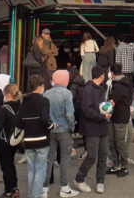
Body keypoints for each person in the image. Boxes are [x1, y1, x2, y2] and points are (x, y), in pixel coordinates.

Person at [43, 69, 79, 197]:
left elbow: (44, 113)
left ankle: (44, 188)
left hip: (50, 130)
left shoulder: (46, 93)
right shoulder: (67, 93)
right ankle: (64, 187)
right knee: (64, 159)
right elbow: (70, 114)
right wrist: (72, 128)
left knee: (48, 159)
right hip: (64, 130)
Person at [74, 66, 110, 194]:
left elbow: (97, 106)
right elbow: (86, 109)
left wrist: (108, 106)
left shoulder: (99, 88)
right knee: (92, 156)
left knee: (103, 155)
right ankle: (79, 178)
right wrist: (102, 116)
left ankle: (100, 181)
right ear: (101, 76)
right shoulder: (88, 89)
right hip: (92, 128)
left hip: (102, 126)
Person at [19, 74, 53, 198]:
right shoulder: (44, 101)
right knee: (40, 170)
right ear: (39, 87)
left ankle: (31, 195)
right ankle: (35, 195)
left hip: (28, 140)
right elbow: (45, 119)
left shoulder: (24, 101)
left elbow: (19, 121)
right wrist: (51, 125)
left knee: (31, 170)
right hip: (42, 140)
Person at [106, 63, 134, 177]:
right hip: (118, 116)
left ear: (112, 72)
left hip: (120, 117)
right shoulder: (126, 82)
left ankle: (124, 167)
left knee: (120, 144)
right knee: (113, 142)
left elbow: (112, 101)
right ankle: (116, 165)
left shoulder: (118, 85)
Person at [0, 83, 23, 198]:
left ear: (7, 94)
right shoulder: (20, 105)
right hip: (15, 140)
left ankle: (9, 191)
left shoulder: (4, 108)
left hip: (4, 141)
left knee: (6, 167)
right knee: (11, 165)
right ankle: (15, 188)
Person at [67, 67, 85, 159]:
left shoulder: (73, 84)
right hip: (82, 108)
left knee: (69, 129)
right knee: (84, 131)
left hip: (75, 109)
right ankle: (87, 151)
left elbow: (70, 96)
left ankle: (71, 149)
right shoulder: (81, 81)